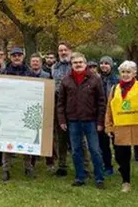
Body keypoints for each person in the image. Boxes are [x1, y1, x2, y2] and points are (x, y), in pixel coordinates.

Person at [57, 52, 107, 189]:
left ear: (85, 64)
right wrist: (62, 120)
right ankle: (80, 177)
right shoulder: (65, 80)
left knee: (95, 150)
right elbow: (61, 102)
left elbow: (102, 102)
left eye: (80, 62)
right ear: (71, 65)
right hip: (73, 121)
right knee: (76, 151)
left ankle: (99, 178)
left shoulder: (95, 79)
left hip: (91, 121)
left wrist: (100, 122)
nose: (78, 65)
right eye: (75, 63)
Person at [105, 60, 138, 194]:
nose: (125, 75)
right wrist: (108, 126)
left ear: (134, 73)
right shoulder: (114, 89)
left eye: (128, 72)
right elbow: (109, 108)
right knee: (122, 157)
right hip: (120, 127)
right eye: (123, 72)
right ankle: (126, 182)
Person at [1, 47, 39, 181]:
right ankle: (6, 169)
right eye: (14, 55)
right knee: (7, 140)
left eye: (19, 55)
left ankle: (28, 168)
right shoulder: (4, 73)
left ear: (23, 57)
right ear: (10, 57)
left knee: (26, 139)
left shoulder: (30, 72)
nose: (16, 57)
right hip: (9, 111)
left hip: (24, 111)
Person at [51, 41, 74, 177]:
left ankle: (85, 167)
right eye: (60, 50)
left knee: (79, 139)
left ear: (70, 51)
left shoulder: (76, 65)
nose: (63, 52)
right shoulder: (55, 67)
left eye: (65, 50)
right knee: (61, 138)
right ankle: (62, 165)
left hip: (74, 106)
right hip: (59, 105)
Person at [98, 56, 119, 176]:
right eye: (102, 63)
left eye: (106, 63)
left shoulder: (117, 80)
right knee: (103, 144)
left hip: (115, 114)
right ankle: (107, 166)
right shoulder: (96, 79)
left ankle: (121, 164)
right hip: (101, 114)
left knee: (117, 143)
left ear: (111, 65)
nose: (104, 65)